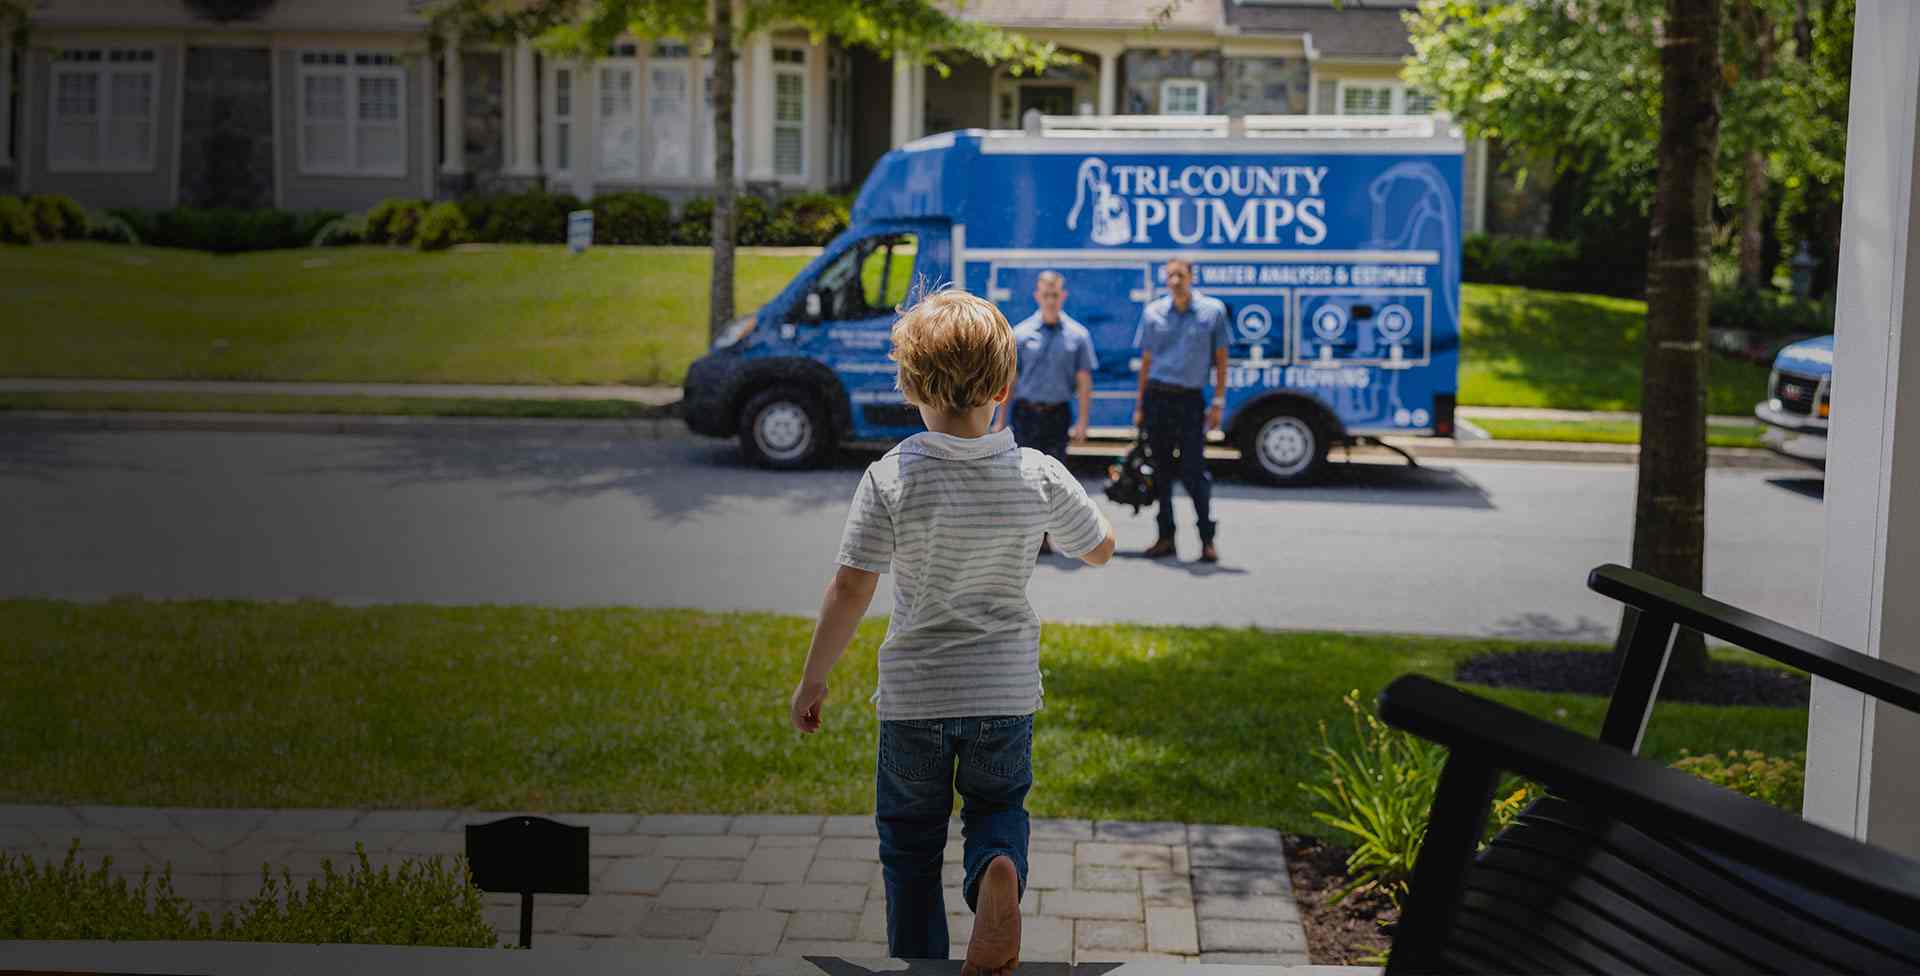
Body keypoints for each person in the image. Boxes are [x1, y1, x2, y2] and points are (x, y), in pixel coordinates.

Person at [788, 288, 1117, 974]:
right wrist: (1090, 525)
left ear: (909, 385)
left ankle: (920, 960)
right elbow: (1099, 548)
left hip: (915, 698)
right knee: (998, 808)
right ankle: (996, 868)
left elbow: (851, 586)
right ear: (1005, 385)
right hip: (1003, 692)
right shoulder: (1038, 473)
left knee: (909, 841)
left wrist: (814, 677)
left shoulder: (891, 477)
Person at [1131, 257, 1229, 563]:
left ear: (1191, 277)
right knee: (1160, 472)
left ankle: (1207, 539)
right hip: (1158, 398)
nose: (1175, 281)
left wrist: (1218, 402)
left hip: (1190, 401)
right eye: (1170, 275)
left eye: (1180, 275)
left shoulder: (1212, 312)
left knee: (1193, 472)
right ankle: (1165, 537)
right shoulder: (1153, 312)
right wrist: (1140, 406)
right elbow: (1146, 362)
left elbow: (1222, 359)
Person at [993, 271, 1097, 554]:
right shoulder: (1021, 334)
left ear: (1062, 296)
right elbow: (1010, 380)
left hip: (1057, 414)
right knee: (1025, 477)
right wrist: (1000, 420)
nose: (1051, 300)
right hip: (1026, 414)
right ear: (1037, 296)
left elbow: (1084, 382)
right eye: (1045, 295)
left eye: (1055, 295)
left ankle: (1048, 533)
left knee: (1054, 476)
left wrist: (1083, 422)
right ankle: (1032, 536)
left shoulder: (1078, 336)